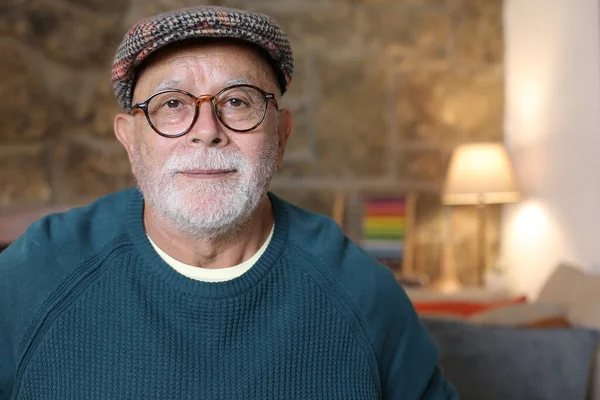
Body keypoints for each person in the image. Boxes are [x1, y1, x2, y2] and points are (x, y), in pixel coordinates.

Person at [0, 6, 458, 399]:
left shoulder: (364, 294)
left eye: (237, 102)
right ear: (129, 140)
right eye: (172, 104)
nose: (206, 129)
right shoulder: (33, 276)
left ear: (281, 136)